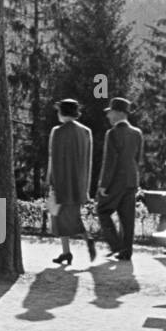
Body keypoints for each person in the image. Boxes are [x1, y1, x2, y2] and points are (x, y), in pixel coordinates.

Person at [45, 98, 97, 266]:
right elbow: (88, 160)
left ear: (62, 112)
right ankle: (67, 252)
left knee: (61, 218)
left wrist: (49, 181)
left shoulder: (57, 131)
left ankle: (84, 241)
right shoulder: (86, 132)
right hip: (78, 183)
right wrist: (85, 186)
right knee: (70, 217)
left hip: (61, 182)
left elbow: (53, 159)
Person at [95, 97, 143, 261]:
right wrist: (136, 180)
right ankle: (126, 252)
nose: (108, 116)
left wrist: (104, 184)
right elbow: (138, 159)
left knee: (102, 210)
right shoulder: (137, 133)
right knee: (127, 217)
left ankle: (116, 245)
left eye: (110, 113)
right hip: (131, 180)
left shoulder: (113, 133)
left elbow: (110, 161)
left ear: (118, 113)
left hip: (116, 180)